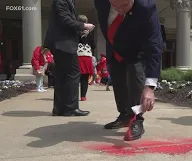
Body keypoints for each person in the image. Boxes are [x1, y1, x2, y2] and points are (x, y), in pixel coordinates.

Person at [94, 0, 163, 141]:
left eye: (124, 5)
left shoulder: (146, 7)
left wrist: (150, 87)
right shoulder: (100, 2)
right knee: (118, 80)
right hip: (114, 45)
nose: (119, 10)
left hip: (137, 48)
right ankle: (125, 115)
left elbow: (154, 45)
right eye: (115, 6)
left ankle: (136, 119)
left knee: (135, 76)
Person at [44, 0, 95, 116]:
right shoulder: (61, 1)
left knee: (62, 76)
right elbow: (66, 21)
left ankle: (59, 109)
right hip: (63, 43)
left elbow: (64, 24)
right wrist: (84, 25)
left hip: (61, 42)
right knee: (73, 73)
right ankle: (71, 108)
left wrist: (80, 33)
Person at [77, 15, 96, 101]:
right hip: (87, 56)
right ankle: (83, 96)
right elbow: (94, 46)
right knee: (85, 78)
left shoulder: (75, 32)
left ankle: (73, 95)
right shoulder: (90, 34)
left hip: (77, 56)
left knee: (75, 77)